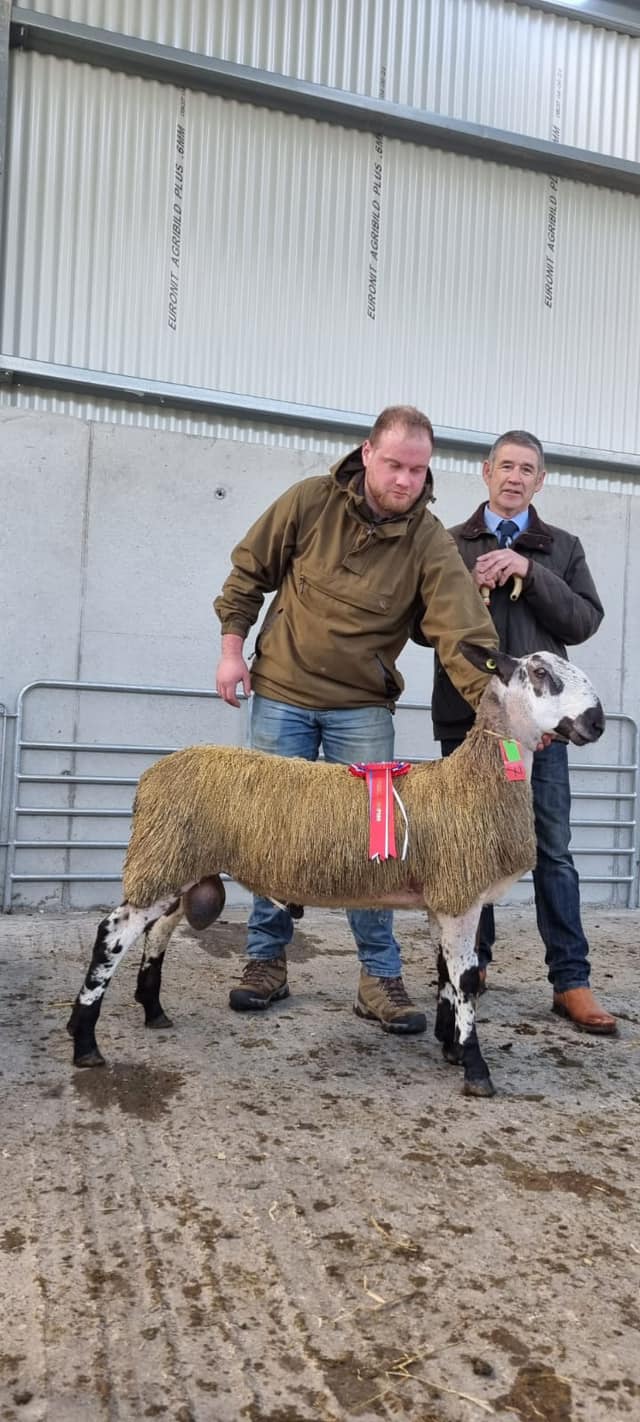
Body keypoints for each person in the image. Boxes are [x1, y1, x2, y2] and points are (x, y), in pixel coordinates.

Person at [213, 404, 498, 1033]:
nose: (404, 480)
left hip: (362, 709)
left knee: (377, 846)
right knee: (273, 832)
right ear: (367, 453)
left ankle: (379, 976)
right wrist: (233, 651)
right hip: (282, 692)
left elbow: (463, 632)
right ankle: (265, 961)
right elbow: (248, 574)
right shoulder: (310, 501)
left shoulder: (430, 540)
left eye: (417, 470)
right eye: (394, 463)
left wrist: (499, 712)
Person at [431, 428, 616, 1035]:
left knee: (552, 850)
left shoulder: (562, 546)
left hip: (541, 734)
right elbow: (417, 626)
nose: (514, 477)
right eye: (505, 465)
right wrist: (468, 594)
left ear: (540, 481)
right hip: (469, 726)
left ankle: (571, 981)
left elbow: (584, 621)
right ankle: (470, 968)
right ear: (486, 472)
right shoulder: (449, 543)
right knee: (468, 849)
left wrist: (529, 573)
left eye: (527, 469)